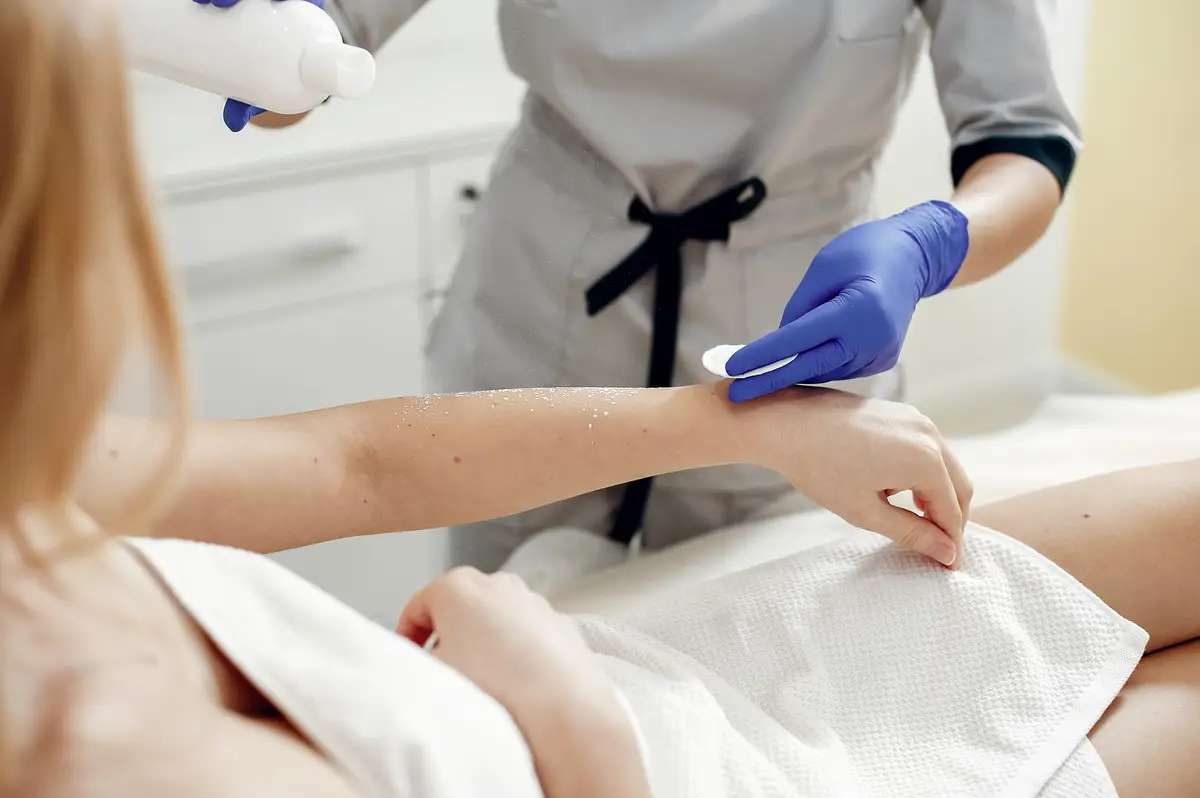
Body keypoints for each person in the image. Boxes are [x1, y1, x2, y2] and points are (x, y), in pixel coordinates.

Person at [2, 4, 1199, 796]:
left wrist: (924, 252)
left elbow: (360, 463)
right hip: (647, 722)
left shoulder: (45, 483)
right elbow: (308, 54)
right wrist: (287, 46)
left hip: (763, 368)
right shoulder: (92, 735)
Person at [200, 0, 1080, 571]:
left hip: (793, 323)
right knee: (506, 627)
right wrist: (267, 40)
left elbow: (1027, 141)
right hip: (550, 289)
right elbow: (313, 55)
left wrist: (928, 246)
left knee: (757, 654)